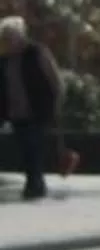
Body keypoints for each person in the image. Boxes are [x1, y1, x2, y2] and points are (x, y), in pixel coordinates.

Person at [1, 14, 61, 199]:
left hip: (37, 108)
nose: (7, 42)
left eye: (10, 37)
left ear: (20, 36)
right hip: (15, 111)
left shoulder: (37, 53)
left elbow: (54, 78)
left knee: (33, 146)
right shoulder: (4, 59)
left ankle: (35, 184)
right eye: (4, 38)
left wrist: (56, 102)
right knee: (25, 149)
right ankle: (34, 182)